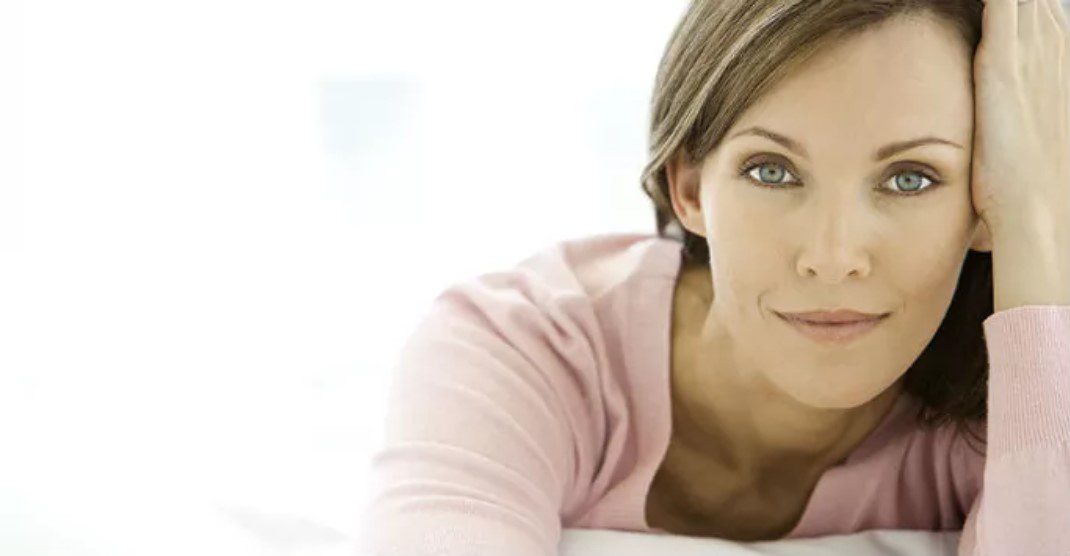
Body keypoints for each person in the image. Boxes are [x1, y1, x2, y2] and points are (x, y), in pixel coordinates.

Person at [358, 1, 1070, 554]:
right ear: (691, 188)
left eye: (910, 178)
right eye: (772, 171)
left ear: (986, 201)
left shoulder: (1015, 394)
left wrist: (1038, 225)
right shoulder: (519, 352)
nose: (832, 255)